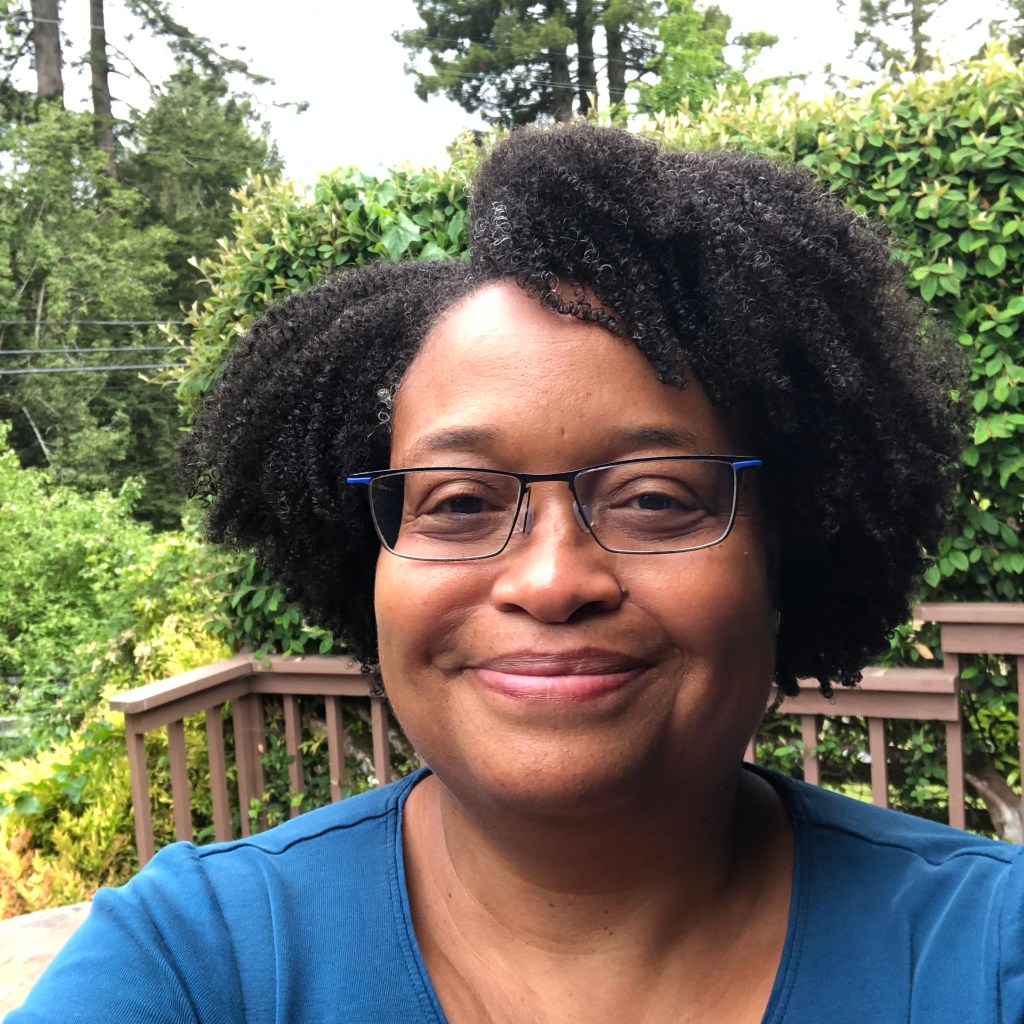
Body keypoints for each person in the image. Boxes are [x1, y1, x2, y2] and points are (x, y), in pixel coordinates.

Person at [10, 123, 1021, 1024]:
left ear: (786, 550)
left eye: (653, 497)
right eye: (459, 502)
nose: (550, 581)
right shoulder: (198, 963)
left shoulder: (986, 954)